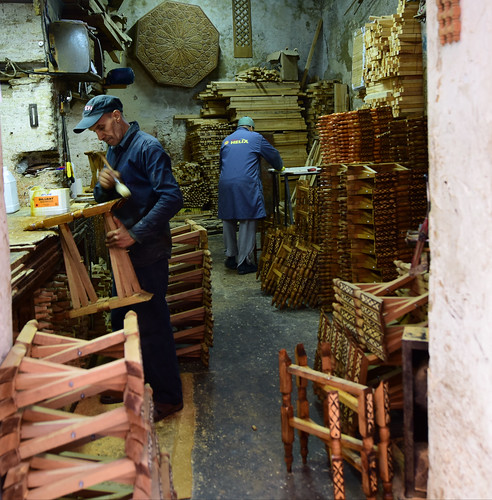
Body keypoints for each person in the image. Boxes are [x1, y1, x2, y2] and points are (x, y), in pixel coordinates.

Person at [73, 94, 183, 422]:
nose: (100, 135)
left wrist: (135, 233)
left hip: (147, 250)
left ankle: (167, 397)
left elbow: (171, 197)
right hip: (124, 254)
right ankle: (134, 384)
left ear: (117, 116)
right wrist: (105, 186)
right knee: (123, 322)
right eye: (95, 131)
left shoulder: (147, 147)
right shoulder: (115, 150)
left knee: (152, 324)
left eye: (102, 127)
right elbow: (120, 196)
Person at [218, 116, 284, 275]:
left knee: (228, 219)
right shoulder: (255, 137)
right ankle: (244, 262)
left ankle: (231, 257)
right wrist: (280, 167)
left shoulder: (226, 140)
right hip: (245, 184)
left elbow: (221, 163)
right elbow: (273, 156)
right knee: (248, 219)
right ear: (251, 127)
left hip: (225, 183)